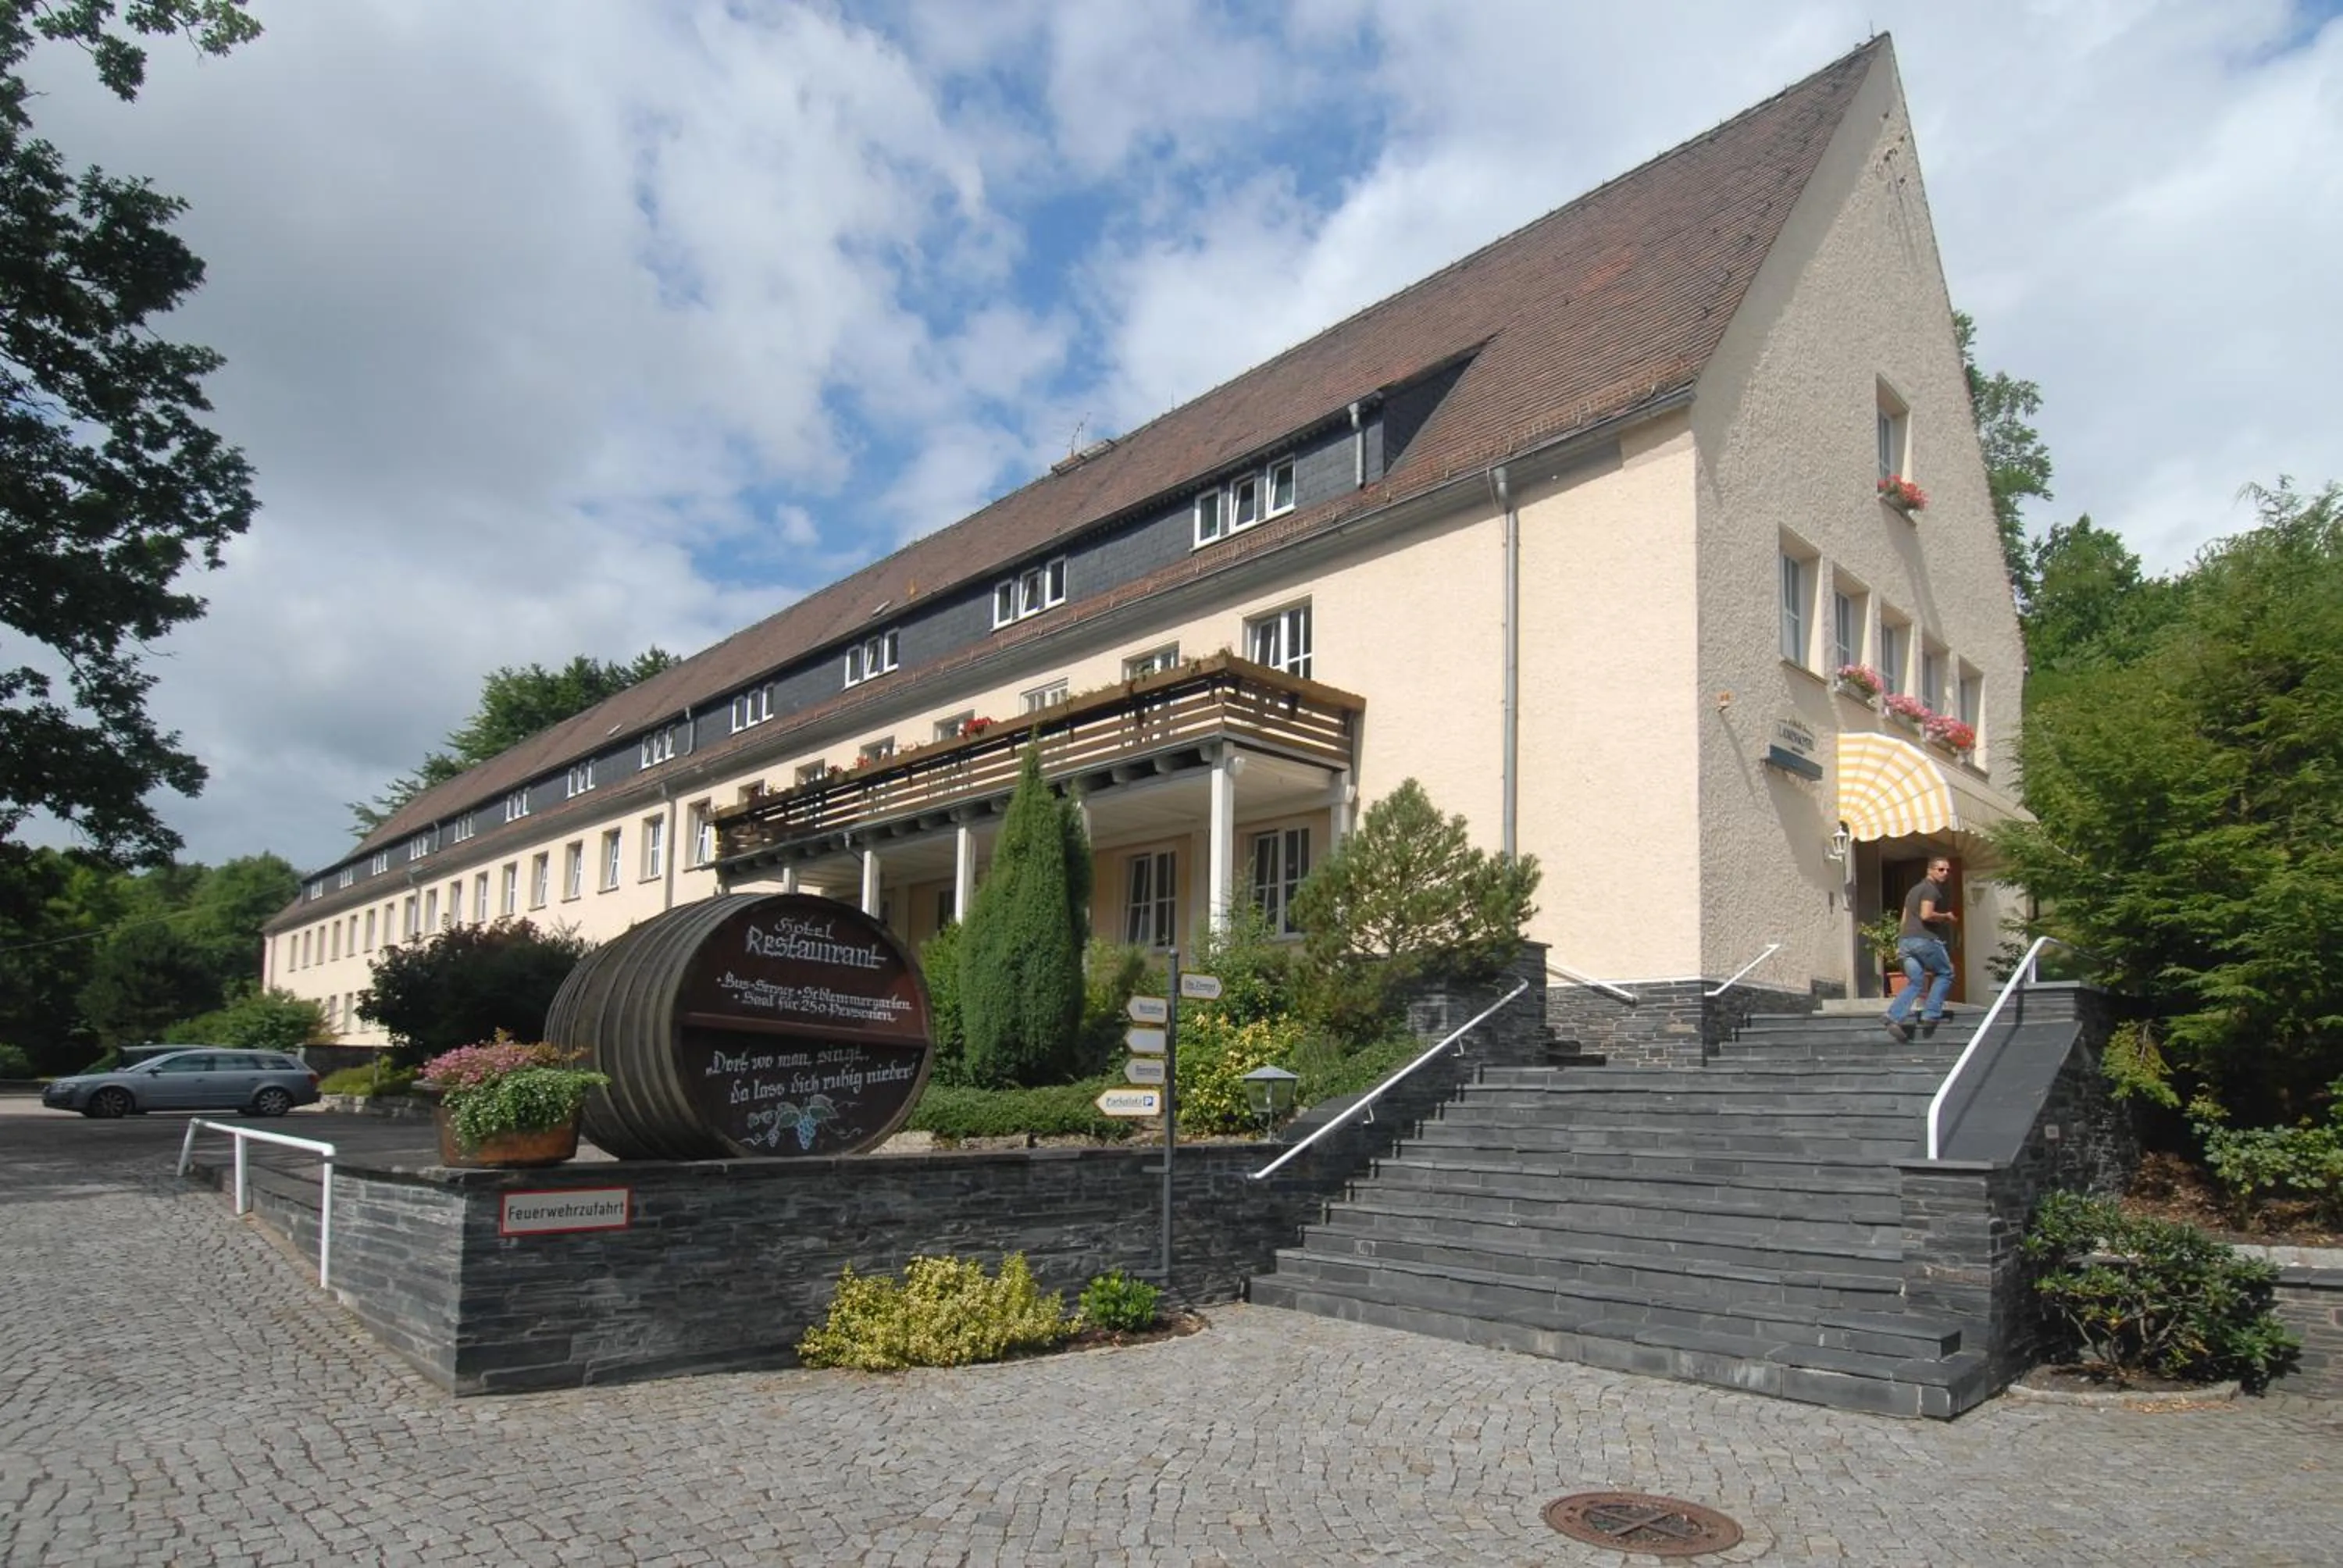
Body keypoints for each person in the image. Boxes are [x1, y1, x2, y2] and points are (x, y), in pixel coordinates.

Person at [1884, 856, 1956, 1042]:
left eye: (1948, 870)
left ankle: (1893, 1017)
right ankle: (1931, 1015)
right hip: (1925, 940)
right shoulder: (1931, 890)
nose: (1945, 873)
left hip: (1906, 941)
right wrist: (1945, 916)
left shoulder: (1913, 891)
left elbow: (1904, 918)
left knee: (1916, 981)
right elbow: (1926, 915)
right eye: (1941, 869)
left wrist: (1900, 944)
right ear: (1930, 870)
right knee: (1946, 973)